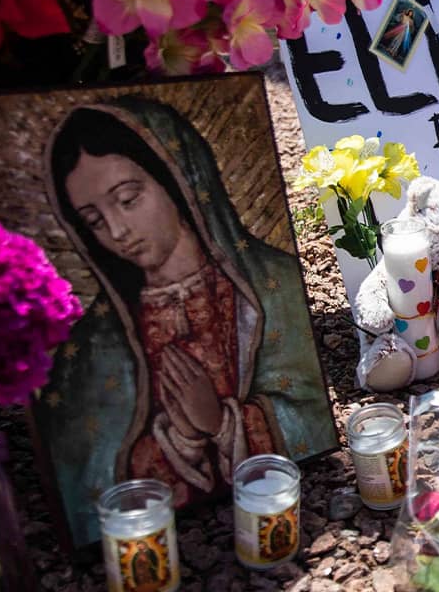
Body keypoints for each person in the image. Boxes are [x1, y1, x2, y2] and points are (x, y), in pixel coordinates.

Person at [37, 97, 334, 547]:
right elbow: (88, 480)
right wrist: (182, 437)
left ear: (179, 180)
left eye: (128, 199)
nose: (117, 232)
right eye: (95, 220)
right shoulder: (94, 348)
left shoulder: (275, 284)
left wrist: (223, 423)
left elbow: (309, 411)